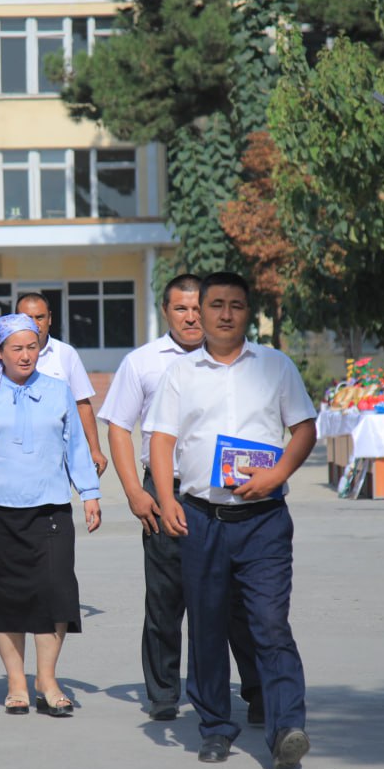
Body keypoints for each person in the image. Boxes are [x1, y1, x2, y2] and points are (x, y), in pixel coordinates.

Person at [145, 271, 317, 769]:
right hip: (201, 518)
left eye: (235, 305)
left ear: (248, 311)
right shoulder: (181, 373)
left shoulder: (275, 366)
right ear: (199, 310)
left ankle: (288, 727)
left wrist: (277, 475)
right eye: (214, 304)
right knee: (208, 625)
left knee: (269, 622)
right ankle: (216, 727)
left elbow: (304, 429)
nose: (224, 314)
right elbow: (161, 438)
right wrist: (166, 497)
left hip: (263, 520)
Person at [98, 274, 263, 724]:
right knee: (166, 598)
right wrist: (134, 491)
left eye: (198, 308)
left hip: (228, 493)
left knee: (235, 598)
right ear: (165, 312)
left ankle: (256, 689)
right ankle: (164, 692)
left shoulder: (240, 359)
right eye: (181, 309)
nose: (192, 317)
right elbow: (117, 425)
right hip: (165, 490)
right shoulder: (144, 363)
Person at [0, 313, 102, 717]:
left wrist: (89, 492)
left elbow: (76, 447)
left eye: (32, 347)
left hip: (49, 507)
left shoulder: (57, 390)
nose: (25, 355)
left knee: (56, 593)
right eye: (16, 348)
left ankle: (46, 680)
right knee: (4, 598)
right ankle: (16, 682)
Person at [14, 293, 108, 476]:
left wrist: (95, 449)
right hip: (15, 456)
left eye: (40, 317)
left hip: (56, 459)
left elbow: (82, 404)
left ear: (50, 318)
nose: (34, 323)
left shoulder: (65, 354)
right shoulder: (3, 356)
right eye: (27, 318)